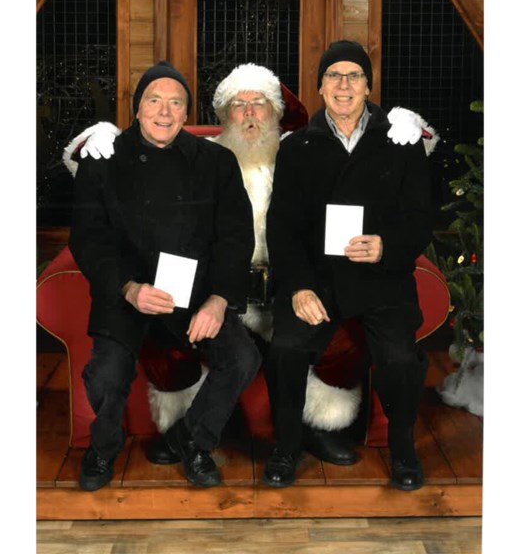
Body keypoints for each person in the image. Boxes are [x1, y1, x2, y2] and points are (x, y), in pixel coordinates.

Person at [67, 63, 438, 470]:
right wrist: (101, 133)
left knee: (311, 341)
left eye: (258, 104)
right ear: (222, 116)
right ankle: (183, 434)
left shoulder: (303, 149)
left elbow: (374, 167)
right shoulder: (210, 157)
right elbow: (96, 216)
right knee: (193, 354)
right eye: (238, 105)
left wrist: (403, 121)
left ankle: (310, 429)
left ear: (276, 113)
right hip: (212, 291)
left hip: (279, 287)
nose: (248, 114)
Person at [68, 61, 261, 491]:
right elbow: (89, 239)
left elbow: (235, 237)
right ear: (137, 109)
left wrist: (218, 300)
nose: (165, 111)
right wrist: (129, 288)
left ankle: (193, 441)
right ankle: (102, 450)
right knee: (105, 375)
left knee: (243, 357)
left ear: (186, 112)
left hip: (192, 295)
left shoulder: (216, 161)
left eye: (176, 103)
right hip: (127, 292)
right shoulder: (103, 160)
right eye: (154, 100)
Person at [261, 40, 434, 492]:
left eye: (353, 75)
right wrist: (297, 287)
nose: (343, 84)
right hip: (315, 280)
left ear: (368, 86)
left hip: (381, 279)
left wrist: (386, 247)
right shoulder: (297, 146)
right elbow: (282, 226)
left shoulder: (400, 141)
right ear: (319, 88)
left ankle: (402, 449)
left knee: (399, 357)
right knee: (286, 349)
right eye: (334, 75)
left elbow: (420, 218)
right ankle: (287, 446)